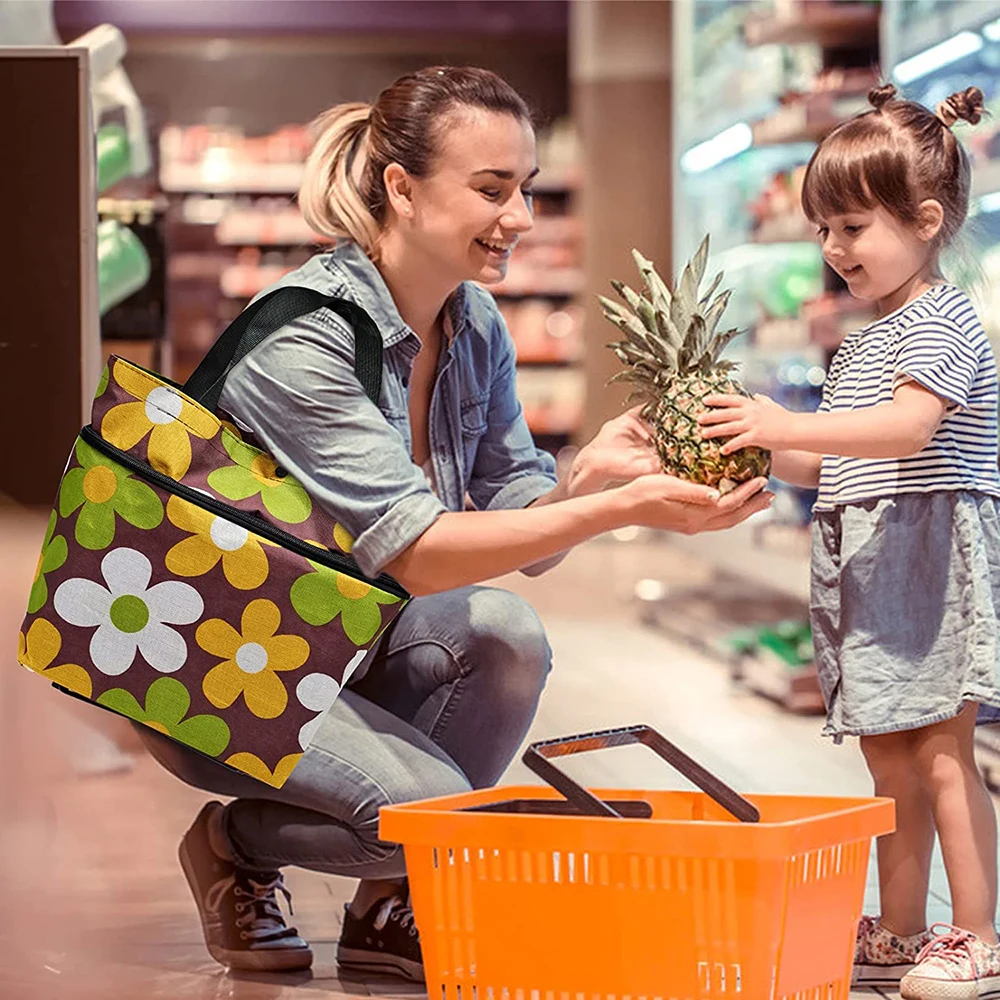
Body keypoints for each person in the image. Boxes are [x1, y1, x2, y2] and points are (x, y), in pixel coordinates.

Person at [137, 65, 771, 982]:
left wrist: (581, 484)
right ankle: (234, 841)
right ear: (400, 187)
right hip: (213, 659)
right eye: (490, 189)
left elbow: (521, 523)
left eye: (524, 188)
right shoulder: (304, 340)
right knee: (441, 816)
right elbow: (421, 554)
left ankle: (383, 907)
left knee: (506, 633)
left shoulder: (472, 323)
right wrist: (618, 507)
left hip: (336, 640)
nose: (519, 215)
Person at [699, 83, 1000, 1000]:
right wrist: (754, 461)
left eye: (854, 227)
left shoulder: (944, 321)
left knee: (945, 749)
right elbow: (841, 466)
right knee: (887, 754)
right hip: (871, 556)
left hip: (935, 551)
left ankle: (978, 936)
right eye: (824, 229)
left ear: (927, 219)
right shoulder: (863, 343)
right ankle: (902, 932)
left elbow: (907, 432)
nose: (833, 250)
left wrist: (779, 421)